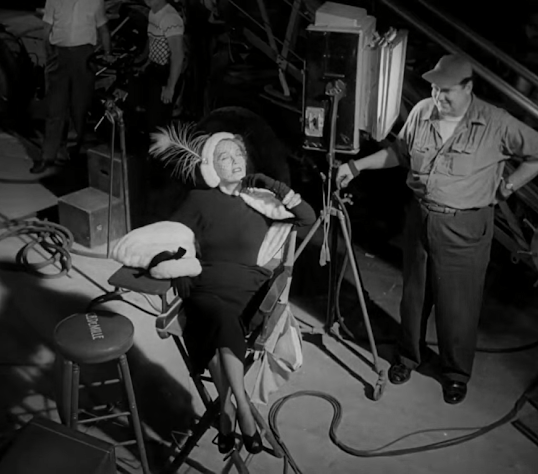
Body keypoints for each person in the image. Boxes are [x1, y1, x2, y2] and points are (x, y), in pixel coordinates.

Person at [336, 54, 538, 404]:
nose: (438, 97)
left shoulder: (496, 123)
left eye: (447, 91)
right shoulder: (422, 112)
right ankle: (407, 357)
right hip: (421, 216)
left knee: (458, 304)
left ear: (468, 88)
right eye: (434, 89)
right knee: (414, 295)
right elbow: (399, 153)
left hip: (464, 226)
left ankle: (455, 373)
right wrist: (356, 166)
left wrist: (508, 186)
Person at [150, 127, 315, 453]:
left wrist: (272, 185)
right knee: (218, 317)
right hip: (206, 286)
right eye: (225, 157)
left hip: (249, 291)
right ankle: (243, 408)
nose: (235, 161)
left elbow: (307, 217)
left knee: (219, 325)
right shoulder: (199, 199)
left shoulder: (261, 199)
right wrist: (177, 262)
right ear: (212, 167)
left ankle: (226, 410)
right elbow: (169, 236)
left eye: (238, 154)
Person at [33, 0, 111, 174]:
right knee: (55, 108)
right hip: (58, 55)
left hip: (84, 57)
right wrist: (49, 56)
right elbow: (46, 29)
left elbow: (103, 29)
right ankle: (48, 156)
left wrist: (107, 53)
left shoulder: (95, 1)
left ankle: (73, 153)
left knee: (79, 108)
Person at [142, 0, 185, 133]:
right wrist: (145, 61)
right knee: (149, 116)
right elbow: (152, 40)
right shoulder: (153, 13)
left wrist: (170, 87)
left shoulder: (170, 18)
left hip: (166, 73)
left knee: (158, 122)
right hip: (154, 69)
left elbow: (177, 55)